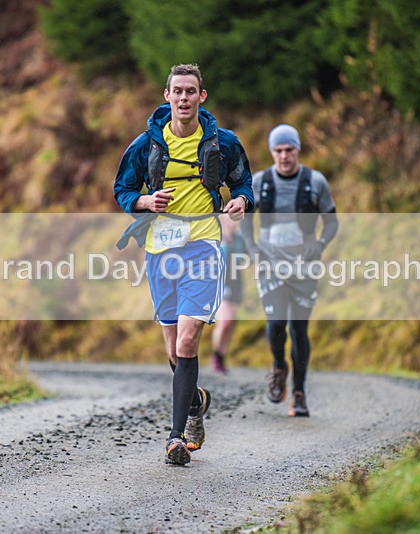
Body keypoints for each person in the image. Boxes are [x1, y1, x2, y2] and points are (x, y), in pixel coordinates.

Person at [114, 64, 254, 465]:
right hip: (161, 247)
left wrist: (241, 201)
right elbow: (123, 189)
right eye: (177, 91)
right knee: (174, 346)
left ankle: (175, 438)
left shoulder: (222, 142)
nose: (184, 98)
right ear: (167, 95)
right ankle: (195, 402)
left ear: (202, 96)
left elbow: (244, 182)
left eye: (191, 91)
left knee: (189, 339)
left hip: (204, 245)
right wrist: (144, 201)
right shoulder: (146, 145)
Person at [241, 124, 338, 417]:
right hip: (270, 264)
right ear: (272, 152)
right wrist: (253, 248)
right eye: (278, 151)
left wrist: (319, 245)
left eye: (289, 150)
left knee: (299, 330)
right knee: (275, 324)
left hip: (303, 268)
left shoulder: (315, 182)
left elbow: (332, 222)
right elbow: (246, 221)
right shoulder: (260, 182)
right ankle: (279, 366)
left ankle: (299, 393)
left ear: (298, 150)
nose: (284, 156)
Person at [210, 215, 247, 375]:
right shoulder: (215, 237)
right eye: (227, 219)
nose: (231, 222)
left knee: (230, 322)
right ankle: (216, 355)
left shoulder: (239, 238)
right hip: (219, 283)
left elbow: (248, 257)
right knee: (224, 321)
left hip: (236, 282)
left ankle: (222, 356)